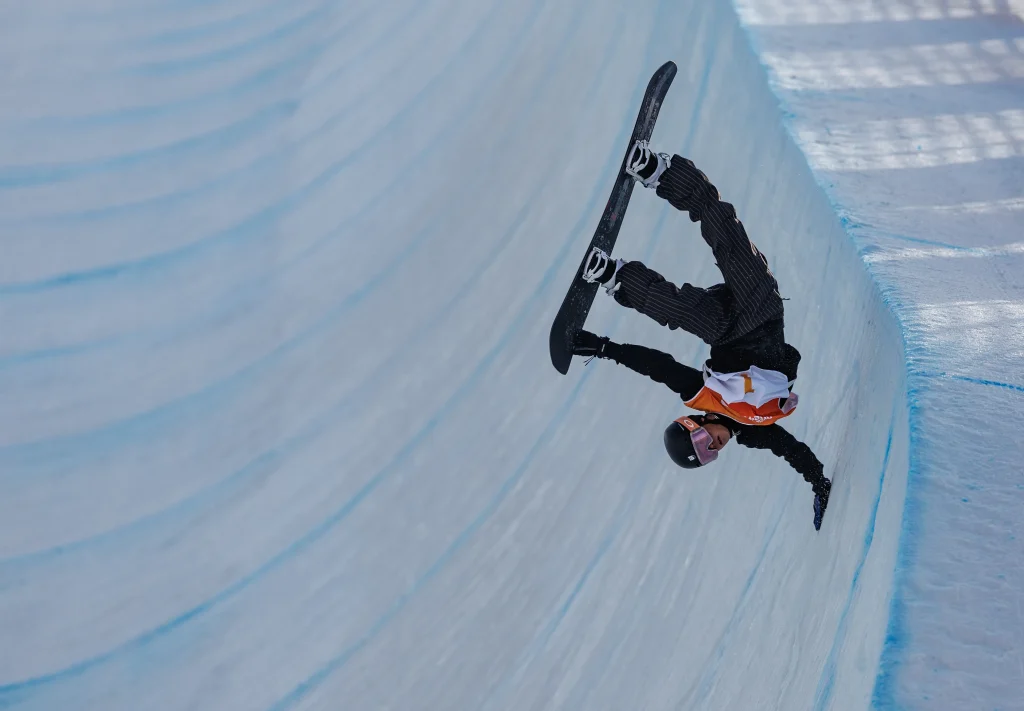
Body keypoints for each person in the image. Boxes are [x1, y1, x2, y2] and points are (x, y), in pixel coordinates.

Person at [573, 141, 832, 530]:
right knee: (700, 301)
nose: (715, 447)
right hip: (760, 313)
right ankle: (616, 275)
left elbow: (657, 366)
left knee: (724, 240)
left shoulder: (699, 393)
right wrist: (819, 483)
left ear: (693, 426)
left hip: (728, 329)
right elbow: (790, 450)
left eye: (703, 444)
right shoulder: (753, 432)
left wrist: (606, 348)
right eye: (711, 454)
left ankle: (660, 175)